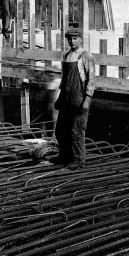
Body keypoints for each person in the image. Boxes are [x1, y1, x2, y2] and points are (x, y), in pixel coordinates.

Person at [53, 26, 96, 170]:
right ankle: (64, 156)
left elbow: (91, 80)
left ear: (80, 39)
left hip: (79, 98)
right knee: (60, 130)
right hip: (66, 97)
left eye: (75, 38)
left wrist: (87, 100)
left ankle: (79, 160)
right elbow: (64, 79)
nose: (72, 41)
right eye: (70, 39)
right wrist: (59, 98)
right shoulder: (66, 56)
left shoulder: (86, 56)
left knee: (76, 131)